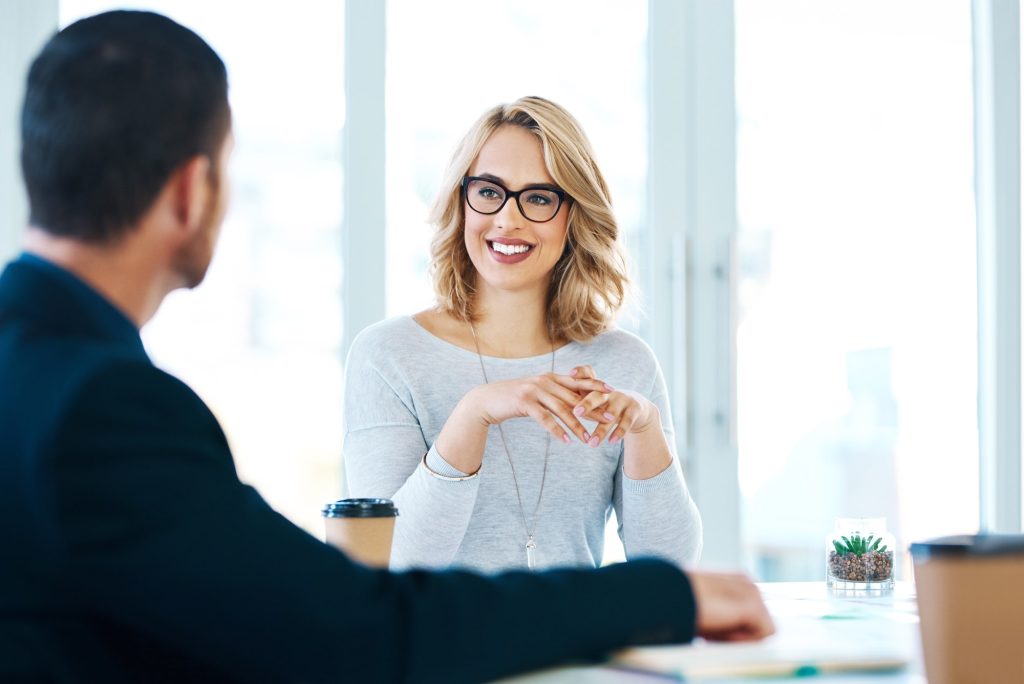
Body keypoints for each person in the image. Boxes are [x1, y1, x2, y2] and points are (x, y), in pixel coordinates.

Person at [0, 11, 773, 683]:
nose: (510, 217)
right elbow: (347, 623)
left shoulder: (44, 369)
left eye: (539, 198)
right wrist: (662, 600)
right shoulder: (110, 408)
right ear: (190, 190)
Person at [344, 97, 702, 573]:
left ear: (573, 216)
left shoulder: (625, 363)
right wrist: (474, 413)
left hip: (574, 643)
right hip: (443, 646)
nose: (508, 219)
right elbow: (390, 562)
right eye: (489, 191)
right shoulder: (387, 356)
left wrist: (646, 429)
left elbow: (669, 566)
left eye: (538, 198)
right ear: (461, 199)